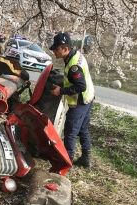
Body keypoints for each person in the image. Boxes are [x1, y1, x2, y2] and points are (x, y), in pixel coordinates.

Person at [49, 32, 95, 168]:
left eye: (56, 49)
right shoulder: (75, 55)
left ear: (64, 48)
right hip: (89, 98)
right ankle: (86, 159)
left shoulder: (74, 65)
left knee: (70, 132)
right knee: (83, 129)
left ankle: (65, 163)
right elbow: (73, 80)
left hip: (80, 101)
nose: (54, 52)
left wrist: (60, 91)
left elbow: (80, 86)